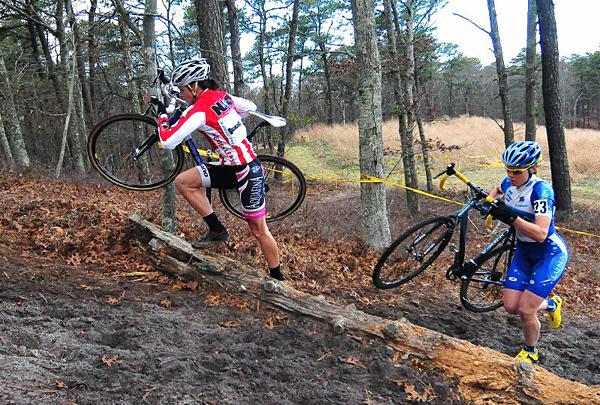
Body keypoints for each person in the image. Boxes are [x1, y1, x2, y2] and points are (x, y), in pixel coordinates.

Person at [156, 59, 284, 281]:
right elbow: (251, 107)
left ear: (195, 86)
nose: (181, 93)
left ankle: (278, 278)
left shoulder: (199, 111)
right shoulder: (222, 97)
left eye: (182, 89)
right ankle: (216, 229)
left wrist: (162, 115)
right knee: (184, 181)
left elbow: (167, 141)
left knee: (258, 230)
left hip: (247, 169)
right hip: (227, 166)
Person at [486, 140, 568, 363]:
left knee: (525, 310)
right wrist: (490, 203)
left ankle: (530, 351)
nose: (510, 175)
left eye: (516, 171)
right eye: (508, 170)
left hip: (549, 254)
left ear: (533, 169)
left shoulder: (542, 192)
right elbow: (498, 189)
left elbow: (541, 233)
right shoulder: (509, 182)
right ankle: (551, 304)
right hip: (524, 252)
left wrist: (511, 217)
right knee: (511, 306)